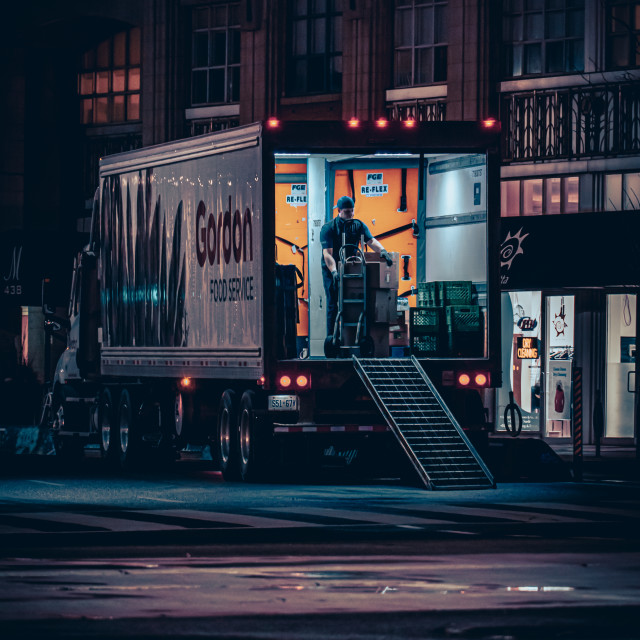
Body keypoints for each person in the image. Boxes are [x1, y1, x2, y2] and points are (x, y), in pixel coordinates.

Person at [320, 195, 393, 337]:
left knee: (353, 302)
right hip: (332, 269)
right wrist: (334, 272)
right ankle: (332, 337)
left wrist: (383, 251)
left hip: (351, 266)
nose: (351, 214)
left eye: (352, 211)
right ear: (339, 211)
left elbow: (371, 241)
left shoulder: (358, 225)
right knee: (332, 304)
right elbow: (327, 254)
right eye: (347, 211)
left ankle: (353, 336)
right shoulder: (328, 229)